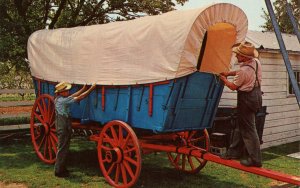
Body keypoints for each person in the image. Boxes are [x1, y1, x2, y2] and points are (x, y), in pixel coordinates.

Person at [219, 41, 263, 167]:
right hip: (256, 96)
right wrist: (228, 73)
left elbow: (233, 86)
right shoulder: (255, 62)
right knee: (241, 126)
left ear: (244, 57)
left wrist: (223, 78)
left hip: (246, 99)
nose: (236, 56)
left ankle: (255, 159)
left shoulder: (243, 71)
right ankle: (234, 152)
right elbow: (240, 71)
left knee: (249, 130)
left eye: (238, 55)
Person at [54, 82, 96, 177]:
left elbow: (73, 95)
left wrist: (84, 88)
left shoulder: (59, 99)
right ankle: (58, 171)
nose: (68, 92)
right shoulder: (63, 101)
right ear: (61, 92)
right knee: (62, 148)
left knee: (64, 148)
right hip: (63, 127)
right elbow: (79, 98)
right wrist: (91, 89)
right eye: (66, 90)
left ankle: (61, 168)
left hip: (63, 126)